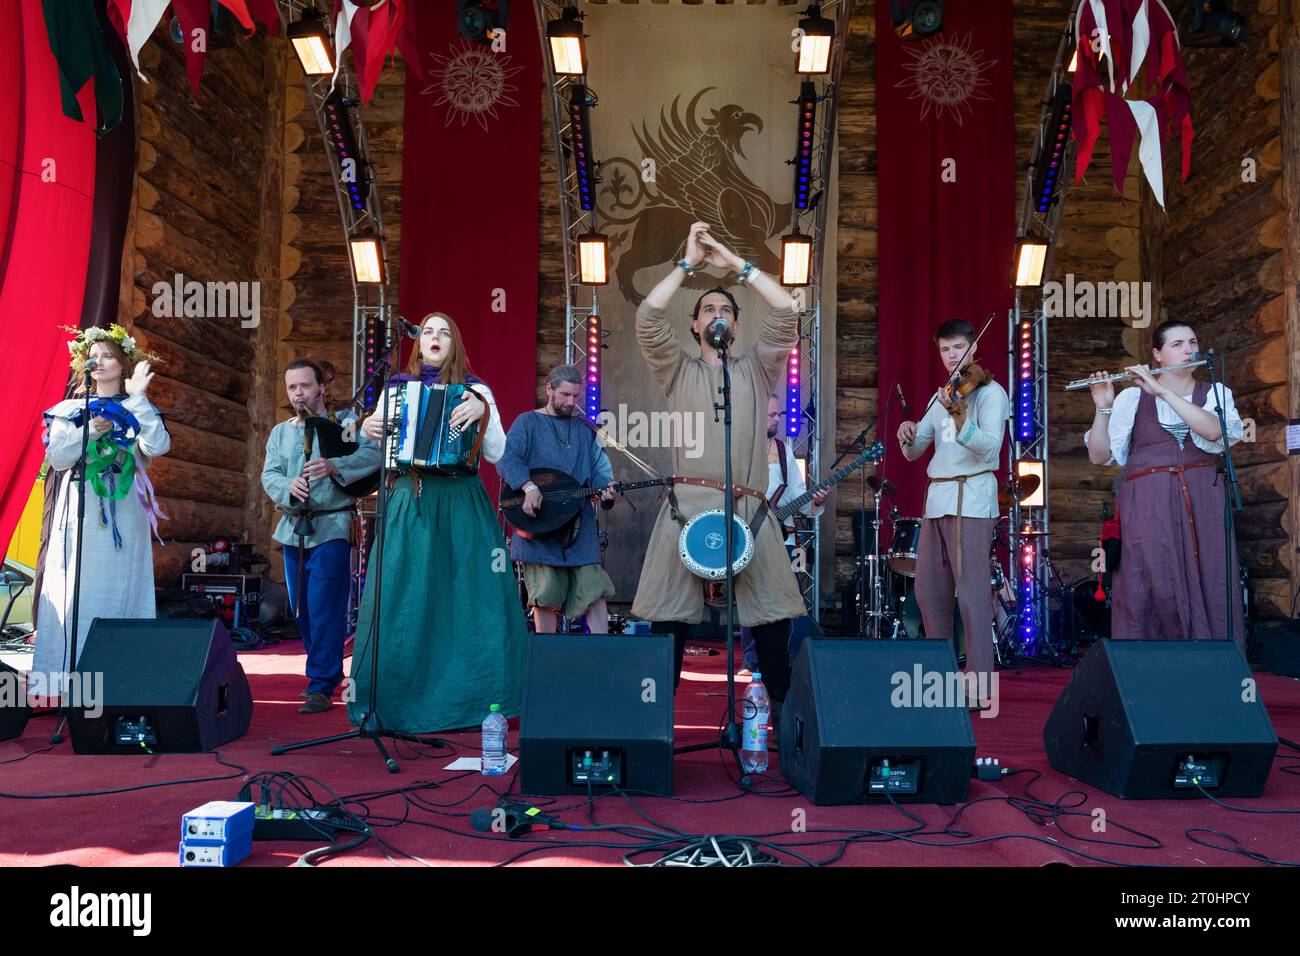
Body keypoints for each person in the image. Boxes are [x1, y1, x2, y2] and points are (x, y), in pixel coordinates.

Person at [631, 221, 808, 721]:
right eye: (707, 308)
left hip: (749, 509)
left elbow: (786, 308)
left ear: (736, 324)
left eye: (726, 309)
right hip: (685, 509)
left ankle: (789, 728)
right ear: (694, 325)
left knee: (773, 624)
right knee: (669, 624)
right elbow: (647, 316)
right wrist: (688, 264)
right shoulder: (676, 370)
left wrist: (735, 265)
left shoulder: (756, 368)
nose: (717, 314)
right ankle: (653, 726)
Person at [352, 312, 528, 732]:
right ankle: (391, 702)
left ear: (456, 344)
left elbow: (496, 452)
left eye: (444, 332)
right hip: (408, 500)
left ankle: (472, 702)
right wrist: (365, 425)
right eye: (428, 331)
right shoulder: (397, 389)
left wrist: (482, 411)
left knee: (469, 598)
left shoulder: (475, 389)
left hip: (459, 501)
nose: (434, 337)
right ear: (418, 342)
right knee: (403, 596)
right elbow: (374, 443)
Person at [1084, 320, 1245, 647]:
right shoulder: (1131, 399)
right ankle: (1152, 672)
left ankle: (1212, 668)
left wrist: (1163, 391)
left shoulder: (1213, 392)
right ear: (1157, 354)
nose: (1189, 349)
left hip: (1203, 503)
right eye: (1177, 344)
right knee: (1151, 579)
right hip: (1148, 506)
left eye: (1192, 342)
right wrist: (1103, 408)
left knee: (1210, 577)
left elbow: (1214, 432)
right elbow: (1098, 456)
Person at [32, 325, 170, 699]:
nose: (101, 361)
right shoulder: (69, 410)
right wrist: (90, 431)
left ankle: (121, 678)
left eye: (109, 354)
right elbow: (58, 458)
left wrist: (138, 400)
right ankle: (70, 679)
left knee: (122, 587)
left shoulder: (138, 406)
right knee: (78, 588)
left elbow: (157, 446)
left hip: (125, 512)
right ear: (85, 364)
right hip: (80, 508)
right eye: (95, 355)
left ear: (124, 363)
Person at [260, 359, 380, 714]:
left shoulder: (342, 425)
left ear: (321, 388)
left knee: (324, 607)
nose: (299, 393)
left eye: (305, 386)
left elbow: (372, 454)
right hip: (294, 528)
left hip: (332, 526)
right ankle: (322, 675)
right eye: (292, 387)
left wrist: (334, 466)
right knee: (302, 611)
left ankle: (322, 683)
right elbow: (270, 475)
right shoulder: (280, 433)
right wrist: (287, 486)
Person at [897, 319, 1008, 698]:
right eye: (945, 350)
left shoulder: (991, 393)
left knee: (973, 593)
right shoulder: (940, 395)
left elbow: (991, 450)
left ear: (973, 347)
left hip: (972, 497)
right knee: (929, 591)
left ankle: (979, 687)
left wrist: (961, 416)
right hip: (938, 499)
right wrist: (906, 431)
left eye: (958, 347)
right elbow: (915, 453)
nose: (951, 356)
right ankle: (940, 680)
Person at [499, 364, 617, 633]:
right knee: (545, 595)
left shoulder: (584, 429)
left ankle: (604, 656)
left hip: (579, 525)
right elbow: (507, 458)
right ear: (548, 389)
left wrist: (607, 490)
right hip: (539, 524)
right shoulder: (527, 422)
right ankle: (549, 655)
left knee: (595, 591)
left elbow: (600, 471)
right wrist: (528, 487)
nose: (571, 402)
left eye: (575, 396)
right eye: (564, 395)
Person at [738, 395, 827, 675]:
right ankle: (751, 660)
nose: (777, 419)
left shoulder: (785, 450)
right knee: (752, 598)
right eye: (771, 415)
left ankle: (792, 658)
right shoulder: (740, 451)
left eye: (779, 414)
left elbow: (798, 495)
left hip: (784, 538)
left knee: (791, 600)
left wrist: (817, 502)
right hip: (749, 536)